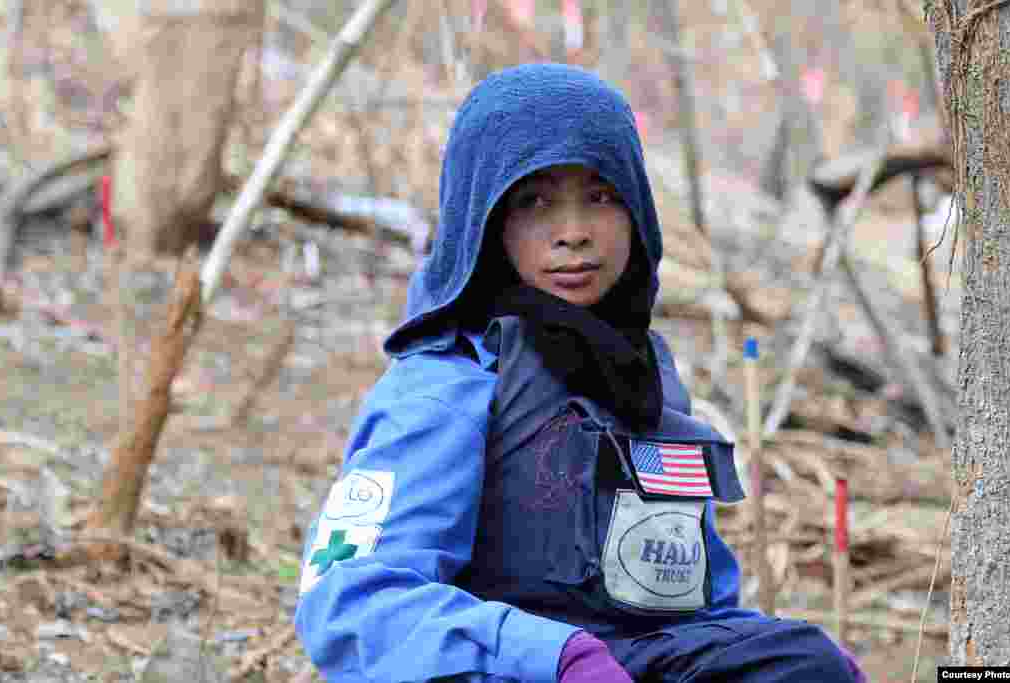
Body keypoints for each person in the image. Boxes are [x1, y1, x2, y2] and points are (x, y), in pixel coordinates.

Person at [295, 63, 864, 683]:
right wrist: (556, 658)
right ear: (484, 221)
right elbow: (350, 603)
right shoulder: (445, 386)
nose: (573, 234)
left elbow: (694, 613)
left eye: (601, 196)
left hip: (626, 666)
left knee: (805, 664)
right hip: (504, 670)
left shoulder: (645, 380)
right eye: (534, 202)